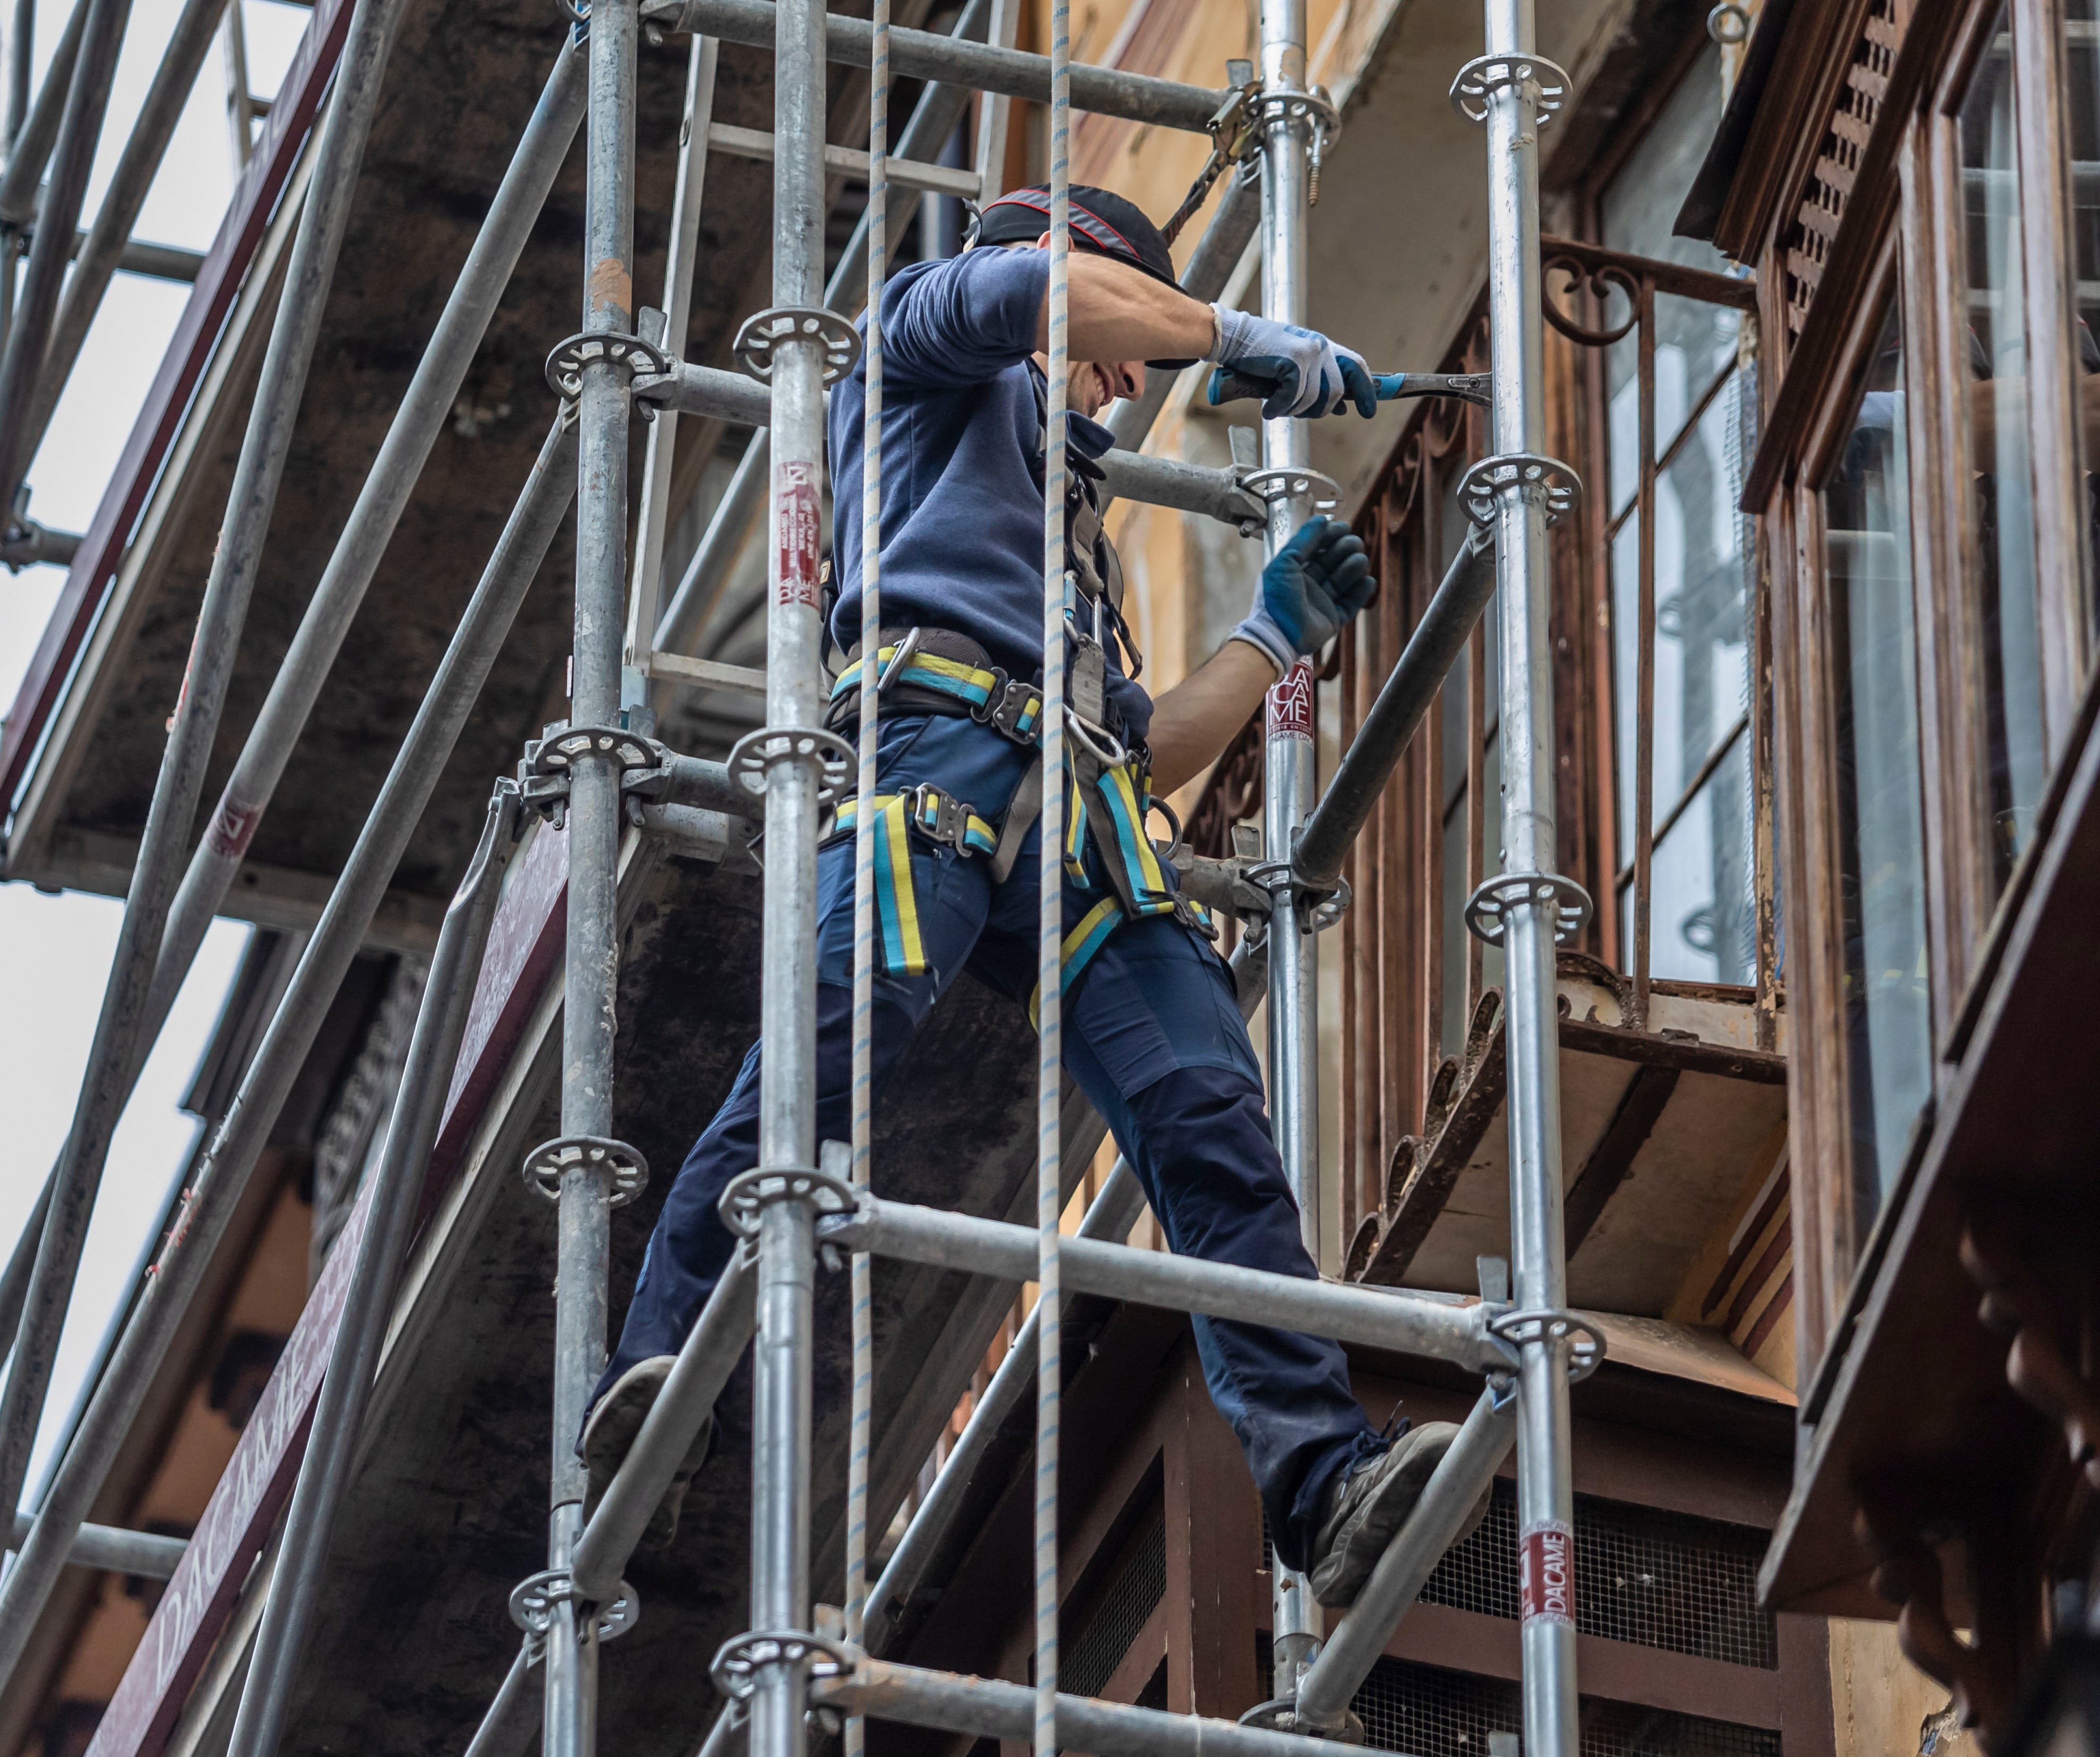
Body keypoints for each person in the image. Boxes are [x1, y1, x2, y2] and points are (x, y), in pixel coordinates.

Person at [581, 184, 1487, 1606]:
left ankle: (1323, 1481)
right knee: (838, 1029)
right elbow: (1044, 300)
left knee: (1206, 1110)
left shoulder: (1066, 528)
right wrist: (1239, 335)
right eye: (1128, 343)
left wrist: (1271, 635)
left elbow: (1140, 741)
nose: (1132, 385)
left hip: (1075, 807)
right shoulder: (930, 337)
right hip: (930, 747)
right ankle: (666, 1351)